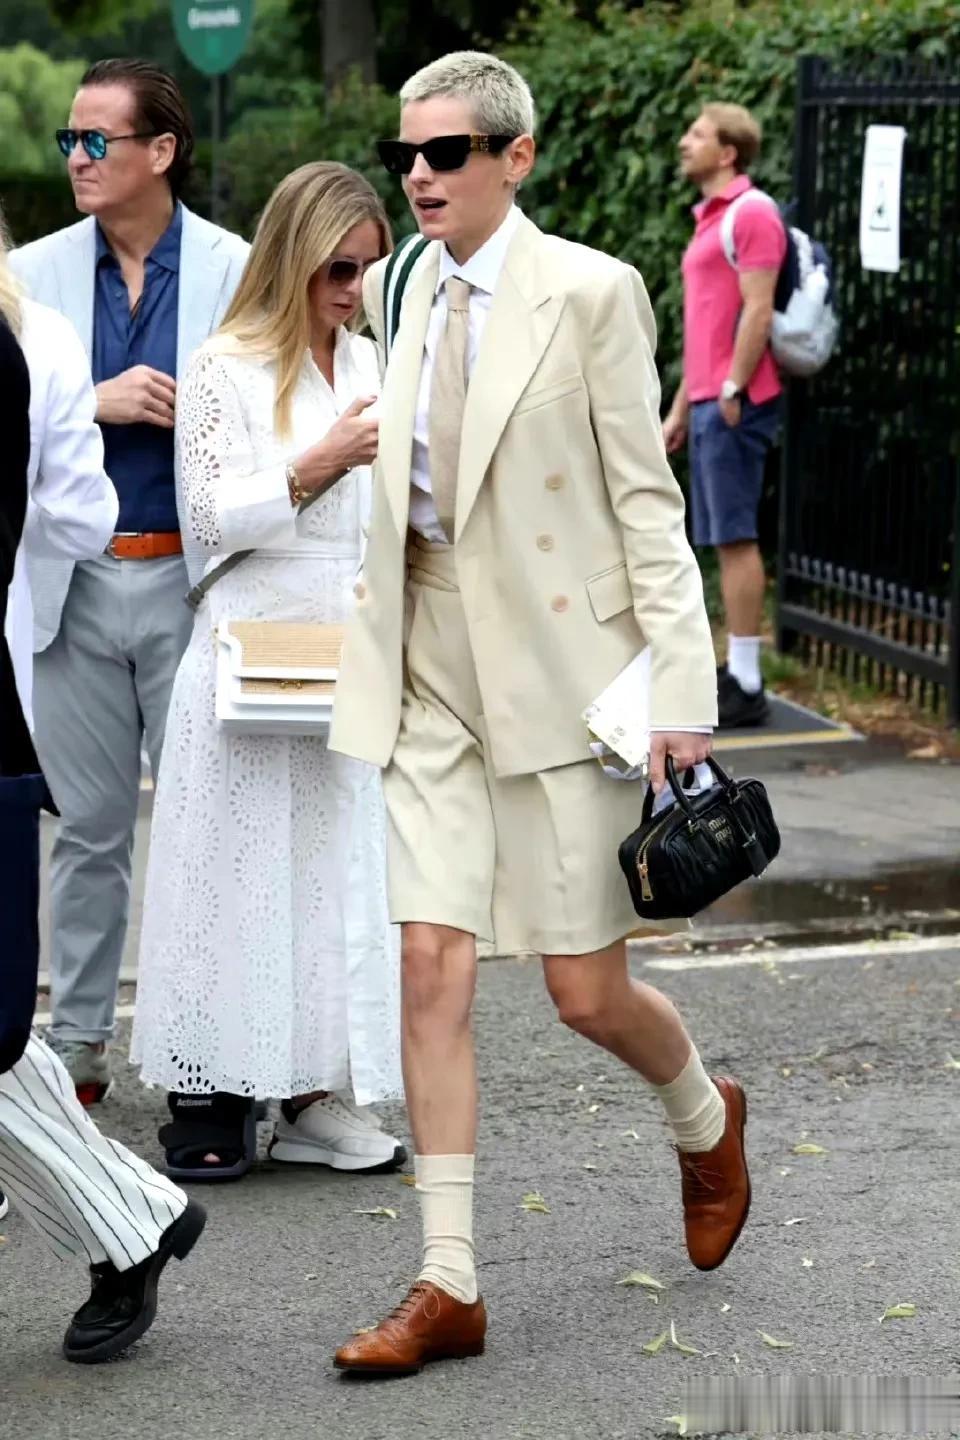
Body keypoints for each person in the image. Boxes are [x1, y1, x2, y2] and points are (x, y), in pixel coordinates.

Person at [327, 52, 750, 1376]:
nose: (419, 175)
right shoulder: (401, 282)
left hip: (565, 672)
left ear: (516, 157)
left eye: (447, 153)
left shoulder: (592, 291)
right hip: (427, 659)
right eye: (407, 154)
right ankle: (447, 1278)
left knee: (583, 990)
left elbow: (644, 503)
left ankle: (704, 1116)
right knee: (428, 958)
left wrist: (680, 688)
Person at [130, 162, 405, 1180]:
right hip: (251, 646)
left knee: (333, 876)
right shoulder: (224, 364)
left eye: (369, 270)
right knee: (233, 875)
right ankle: (213, 1091)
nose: (352, 291)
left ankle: (312, 1094)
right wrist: (318, 460)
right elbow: (206, 518)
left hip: (349, 646)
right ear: (293, 257)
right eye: (338, 269)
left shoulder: (372, 359)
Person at [8, 59, 250, 1105]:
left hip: (197, 583)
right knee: (86, 831)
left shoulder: (238, 268)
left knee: (209, 834)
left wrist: (204, 407)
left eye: (96, 139)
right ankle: (76, 1046)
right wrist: (91, 399)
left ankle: (211, 1047)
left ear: (162, 150)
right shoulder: (28, 276)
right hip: (70, 584)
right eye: (70, 138)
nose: (76, 156)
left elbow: (280, 404)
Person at [0, 237, 205, 1368]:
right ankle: (133, 1217)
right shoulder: (40, 332)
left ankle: (131, 1218)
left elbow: (70, 520)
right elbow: (72, 518)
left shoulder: (25, 342)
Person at [662, 102, 786, 728]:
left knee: (735, 537)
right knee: (719, 537)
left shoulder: (752, 212)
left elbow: (757, 309)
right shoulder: (710, 217)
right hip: (710, 399)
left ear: (729, 152)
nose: (685, 143)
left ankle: (747, 682)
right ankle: (735, 670)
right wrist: (682, 406)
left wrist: (734, 386)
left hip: (737, 400)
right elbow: (706, 327)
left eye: (698, 134)